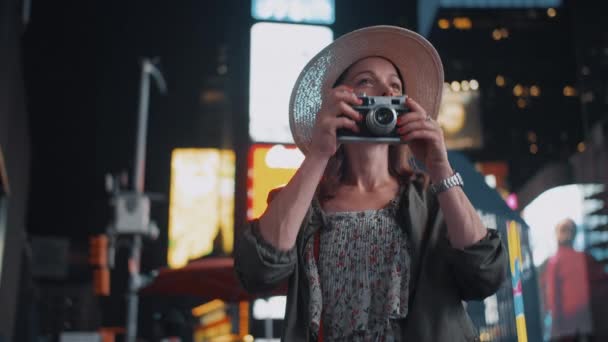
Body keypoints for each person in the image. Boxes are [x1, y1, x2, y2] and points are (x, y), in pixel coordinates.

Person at [235, 25, 508, 341]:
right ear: (337, 101)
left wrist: (440, 167)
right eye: (366, 81)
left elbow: (486, 274)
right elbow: (257, 270)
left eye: (395, 86)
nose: (386, 92)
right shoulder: (303, 204)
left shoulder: (432, 199)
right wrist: (318, 154)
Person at [540, 218, 608, 341]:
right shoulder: (585, 258)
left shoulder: (555, 263)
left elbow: (552, 297)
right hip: (589, 321)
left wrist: (556, 324)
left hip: (568, 324)